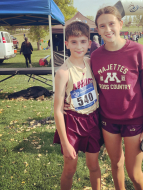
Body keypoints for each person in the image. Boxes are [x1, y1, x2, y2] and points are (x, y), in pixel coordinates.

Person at [91, 6, 143, 190]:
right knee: (116, 164)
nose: (108, 29)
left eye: (112, 24)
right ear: (97, 29)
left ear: (120, 24)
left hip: (134, 121)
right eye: (102, 26)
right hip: (108, 121)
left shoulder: (137, 50)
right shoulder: (95, 57)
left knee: (134, 173)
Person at [53, 21, 103, 190]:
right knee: (70, 169)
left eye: (83, 41)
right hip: (72, 123)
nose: (78, 46)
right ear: (67, 44)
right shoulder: (63, 72)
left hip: (93, 119)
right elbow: (58, 109)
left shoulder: (91, 62)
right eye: (74, 42)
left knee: (94, 165)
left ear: (89, 43)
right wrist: (65, 142)